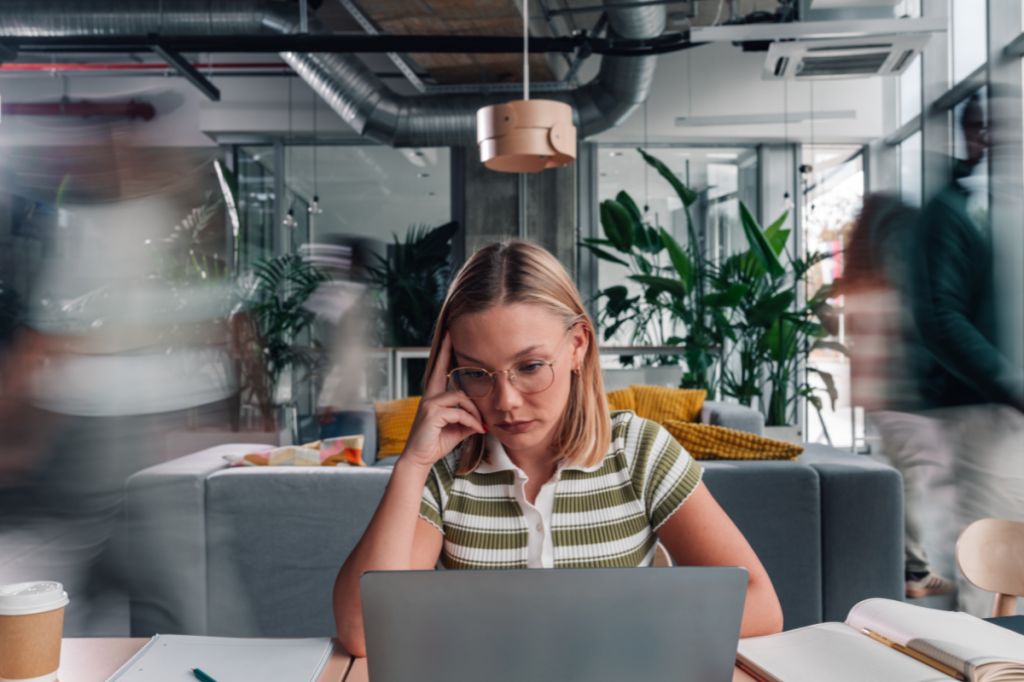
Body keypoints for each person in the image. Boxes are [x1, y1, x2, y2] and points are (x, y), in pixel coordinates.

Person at [333, 240, 783, 657]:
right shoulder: (445, 470)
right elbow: (362, 633)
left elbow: (762, 607)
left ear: (578, 346)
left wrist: (585, 628)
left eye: (529, 366)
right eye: (476, 372)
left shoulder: (638, 451)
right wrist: (412, 464)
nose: (505, 401)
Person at [908, 92, 1024, 615]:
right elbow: (940, 318)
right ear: (973, 136)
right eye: (993, 128)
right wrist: (1010, 385)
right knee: (996, 562)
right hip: (984, 410)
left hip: (1005, 406)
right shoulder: (951, 212)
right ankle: (986, 665)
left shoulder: (1005, 204)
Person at [838, 193, 955, 599]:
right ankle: (915, 571)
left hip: (883, 392)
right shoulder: (891, 283)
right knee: (917, 477)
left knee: (909, 475)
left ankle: (914, 566)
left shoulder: (862, 276)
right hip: (902, 391)